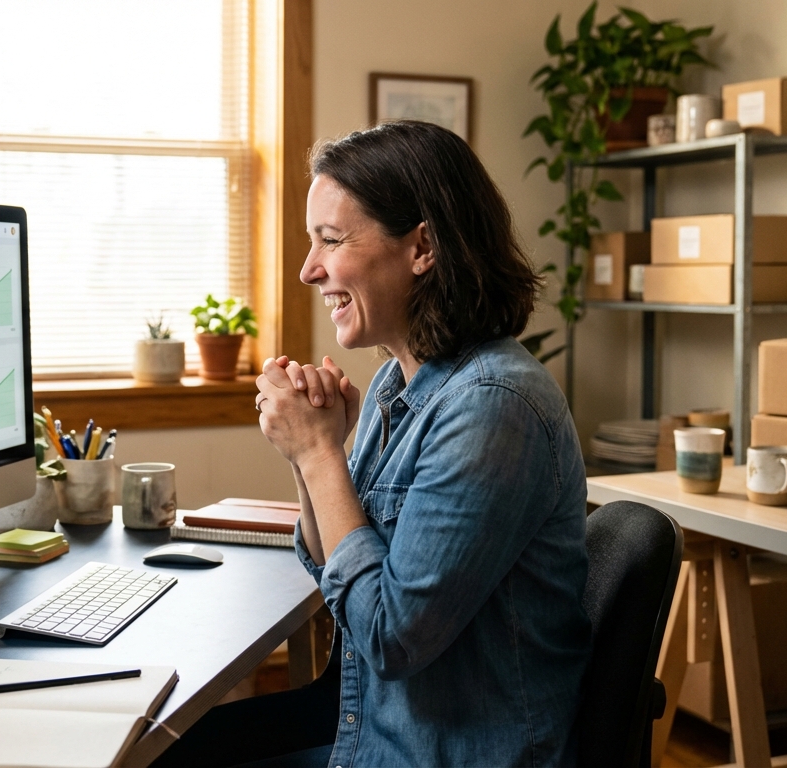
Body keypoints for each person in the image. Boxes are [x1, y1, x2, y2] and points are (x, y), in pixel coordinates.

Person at [156, 120, 591, 768]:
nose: (309, 270)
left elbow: (390, 636)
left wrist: (318, 454)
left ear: (422, 246)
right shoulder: (399, 380)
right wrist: (312, 454)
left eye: (330, 240)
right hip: (384, 734)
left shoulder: (492, 407)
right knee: (165, 749)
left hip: (440, 755)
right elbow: (330, 570)